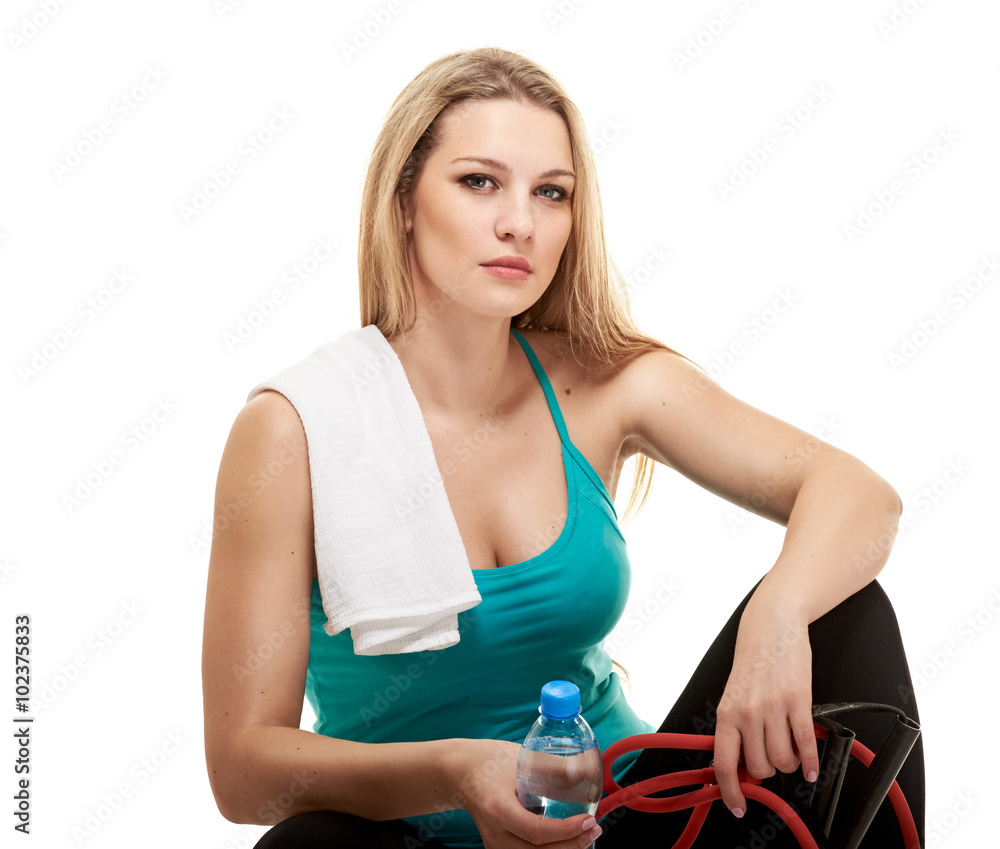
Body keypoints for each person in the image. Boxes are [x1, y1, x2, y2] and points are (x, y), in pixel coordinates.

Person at [201, 47, 924, 849]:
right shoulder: (293, 430)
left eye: (552, 192)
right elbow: (243, 770)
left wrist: (778, 612)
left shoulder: (607, 384)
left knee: (847, 618)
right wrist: (454, 771)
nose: (521, 221)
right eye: (479, 182)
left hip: (626, 825)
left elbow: (859, 493)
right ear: (403, 202)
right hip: (416, 838)